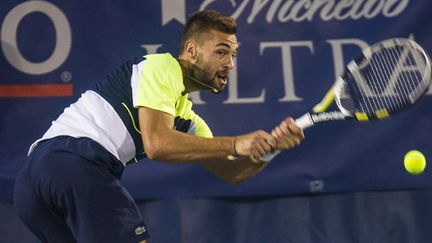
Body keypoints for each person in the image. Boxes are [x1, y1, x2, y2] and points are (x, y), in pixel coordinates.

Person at [14, 9, 304, 243]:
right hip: (75, 164)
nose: (230, 63)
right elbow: (158, 145)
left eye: (234, 55)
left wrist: (271, 149)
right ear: (191, 50)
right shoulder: (162, 66)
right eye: (221, 51)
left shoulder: (188, 120)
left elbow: (231, 170)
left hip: (31, 184)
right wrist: (236, 142)